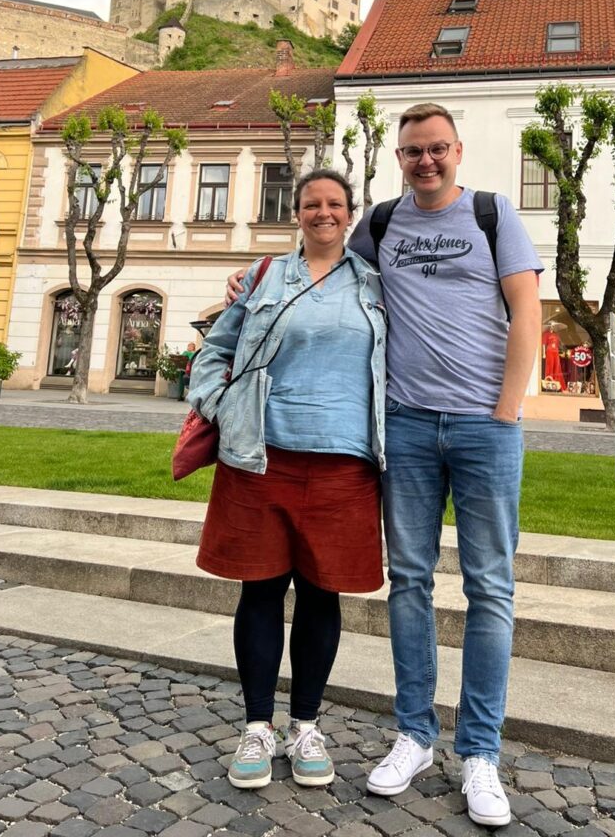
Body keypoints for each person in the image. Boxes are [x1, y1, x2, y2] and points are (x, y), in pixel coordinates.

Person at [228, 105, 543, 827]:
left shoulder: (494, 215)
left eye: (436, 149)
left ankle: (480, 752)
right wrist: (252, 279)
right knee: (409, 582)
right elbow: (323, 256)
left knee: (490, 587)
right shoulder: (382, 221)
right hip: (403, 425)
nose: (425, 161)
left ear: (457, 151)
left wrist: (506, 409)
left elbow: (527, 311)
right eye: (412, 151)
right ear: (398, 158)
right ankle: (415, 736)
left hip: (484, 427)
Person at [188, 169, 387, 791]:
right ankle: (257, 725)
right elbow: (214, 350)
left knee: (322, 596)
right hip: (260, 457)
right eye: (311, 204)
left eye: (334, 204)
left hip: (344, 463)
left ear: (350, 213)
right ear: (297, 213)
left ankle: (305, 726)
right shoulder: (264, 276)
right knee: (261, 592)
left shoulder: (377, 283)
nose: (323, 213)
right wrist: (221, 407)